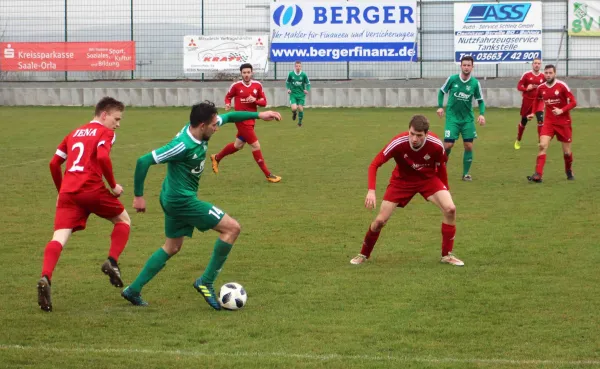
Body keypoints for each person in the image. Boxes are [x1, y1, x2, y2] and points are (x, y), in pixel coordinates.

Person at [121, 101, 282, 310]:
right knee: (232, 228)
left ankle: (133, 290)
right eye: (214, 125)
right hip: (182, 201)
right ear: (201, 125)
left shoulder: (201, 130)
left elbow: (231, 116)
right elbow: (143, 161)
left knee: (172, 247)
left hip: (171, 195)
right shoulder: (182, 145)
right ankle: (205, 281)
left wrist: (261, 115)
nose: (217, 127)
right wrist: (138, 196)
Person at [37, 97, 131, 312]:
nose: (118, 124)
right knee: (123, 220)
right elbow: (103, 158)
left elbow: (54, 163)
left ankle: (45, 277)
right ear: (104, 114)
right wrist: (114, 185)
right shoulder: (105, 133)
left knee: (59, 237)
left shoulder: (74, 133)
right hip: (91, 188)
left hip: (69, 192)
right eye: (116, 119)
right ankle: (112, 261)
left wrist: (61, 191)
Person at [350, 115, 464, 267]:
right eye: (412, 133)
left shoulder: (436, 144)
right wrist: (371, 190)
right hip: (401, 182)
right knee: (379, 221)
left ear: (426, 134)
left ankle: (447, 255)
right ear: (408, 130)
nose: (414, 139)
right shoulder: (398, 142)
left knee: (450, 209)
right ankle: (363, 254)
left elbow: (441, 166)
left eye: (419, 135)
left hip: (427, 179)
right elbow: (374, 164)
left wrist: (446, 190)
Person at [210, 63, 281, 183]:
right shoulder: (236, 86)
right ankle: (268, 175)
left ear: (252, 73)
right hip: (241, 120)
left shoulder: (257, 85)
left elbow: (264, 102)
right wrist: (227, 103)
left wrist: (256, 100)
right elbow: (228, 96)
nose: (246, 75)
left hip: (252, 119)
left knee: (238, 145)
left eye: (248, 72)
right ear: (241, 73)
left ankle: (216, 157)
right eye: (244, 73)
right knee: (255, 146)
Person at [437, 55, 486, 181]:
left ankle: (465, 174)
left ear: (472, 67)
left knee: (468, 145)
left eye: (469, 65)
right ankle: (441, 168)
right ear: (461, 66)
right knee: (448, 145)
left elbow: (480, 100)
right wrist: (440, 106)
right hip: (452, 118)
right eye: (464, 65)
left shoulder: (475, 83)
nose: (466, 67)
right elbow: (442, 91)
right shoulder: (452, 79)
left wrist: (481, 114)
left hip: (467, 119)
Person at [527, 65, 577, 183]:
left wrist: (561, 110)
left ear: (555, 73)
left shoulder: (562, 86)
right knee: (542, 145)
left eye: (550, 73)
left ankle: (568, 170)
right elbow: (537, 100)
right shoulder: (541, 87)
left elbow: (574, 102)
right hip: (549, 122)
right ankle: (538, 174)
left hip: (563, 123)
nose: (548, 75)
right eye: (546, 73)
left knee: (567, 152)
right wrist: (533, 113)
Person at [515, 58, 545, 149]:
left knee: (540, 120)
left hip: (539, 102)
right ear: (532, 64)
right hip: (527, 102)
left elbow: (547, 88)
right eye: (535, 63)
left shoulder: (543, 76)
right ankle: (518, 140)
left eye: (538, 63)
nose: (537, 65)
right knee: (524, 122)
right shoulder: (526, 75)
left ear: (540, 65)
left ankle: (541, 142)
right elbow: (519, 86)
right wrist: (526, 89)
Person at [286, 60, 311, 127]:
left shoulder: (304, 75)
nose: (298, 67)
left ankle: (299, 123)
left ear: (301, 67)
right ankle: (294, 113)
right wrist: (288, 89)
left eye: (299, 66)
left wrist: (307, 90)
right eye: (297, 66)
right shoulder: (291, 74)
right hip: (293, 94)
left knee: (300, 108)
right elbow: (287, 82)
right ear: (295, 66)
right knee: (294, 108)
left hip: (301, 95)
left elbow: (308, 84)